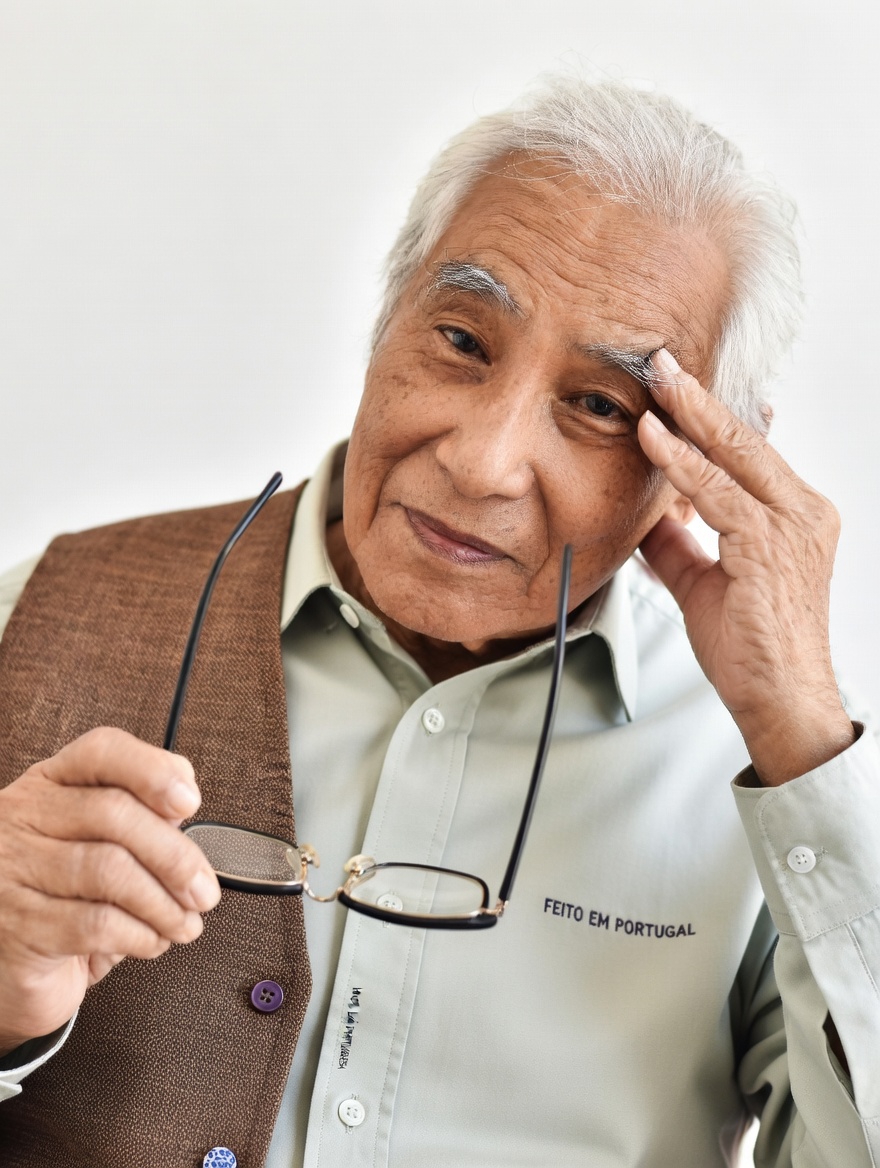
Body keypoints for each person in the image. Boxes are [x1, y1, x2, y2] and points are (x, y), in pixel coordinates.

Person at [0, 75, 876, 1168]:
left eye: (599, 405)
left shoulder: (762, 778)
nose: (482, 458)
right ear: (385, 317)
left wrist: (800, 733)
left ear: (700, 462)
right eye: (462, 339)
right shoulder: (41, 614)